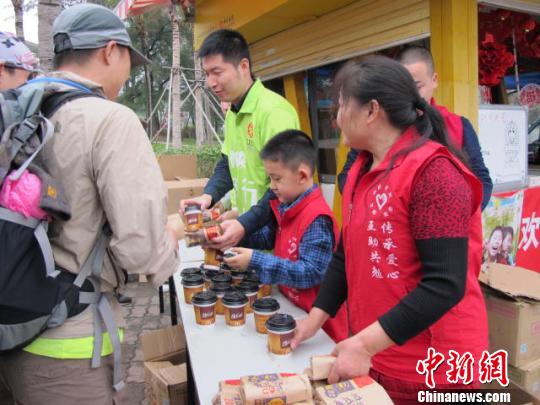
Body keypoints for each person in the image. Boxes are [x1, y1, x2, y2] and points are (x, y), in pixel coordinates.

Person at [0, 4, 180, 404]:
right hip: (66, 345)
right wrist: (171, 235)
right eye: (129, 60)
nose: (128, 72)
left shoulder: (19, 106)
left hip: (7, 325)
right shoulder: (109, 120)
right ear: (110, 51)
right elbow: (141, 250)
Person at [290, 57, 488, 404]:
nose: (335, 118)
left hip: (433, 371)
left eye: (340, 106)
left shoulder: (434, 173)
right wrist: (315, 319)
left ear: (371, 111)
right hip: (378, 353)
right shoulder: (361, 168)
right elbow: (345, 252)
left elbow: (445, 284)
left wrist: (365, 344)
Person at [180, 29, 300, 248]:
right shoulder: (234, 114)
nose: (211, 82)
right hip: (250, 238)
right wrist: (207, 197)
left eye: (217, 72)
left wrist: (244, 223)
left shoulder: (274, 112)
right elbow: (227, 165)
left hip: (277, 243)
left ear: (243, 66)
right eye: (207, 74)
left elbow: (285, 184)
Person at [224, 130, 348, 342]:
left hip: (319, 329)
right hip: (292, 308)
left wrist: (256, 260)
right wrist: (235, 239)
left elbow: (310, 273)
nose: (272, 187)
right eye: (270, 178)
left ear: (301, 175)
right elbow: (269, 239)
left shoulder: (317, 218)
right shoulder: (288, 205)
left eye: (276, 179)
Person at [337, 46, 493, 210]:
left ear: (434, 80)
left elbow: (482, 180)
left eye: (417, 87)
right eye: (402, 88)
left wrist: (453, 214)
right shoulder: (379, 124)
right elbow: (346, 177)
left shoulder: (459, 126)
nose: (410, 95)